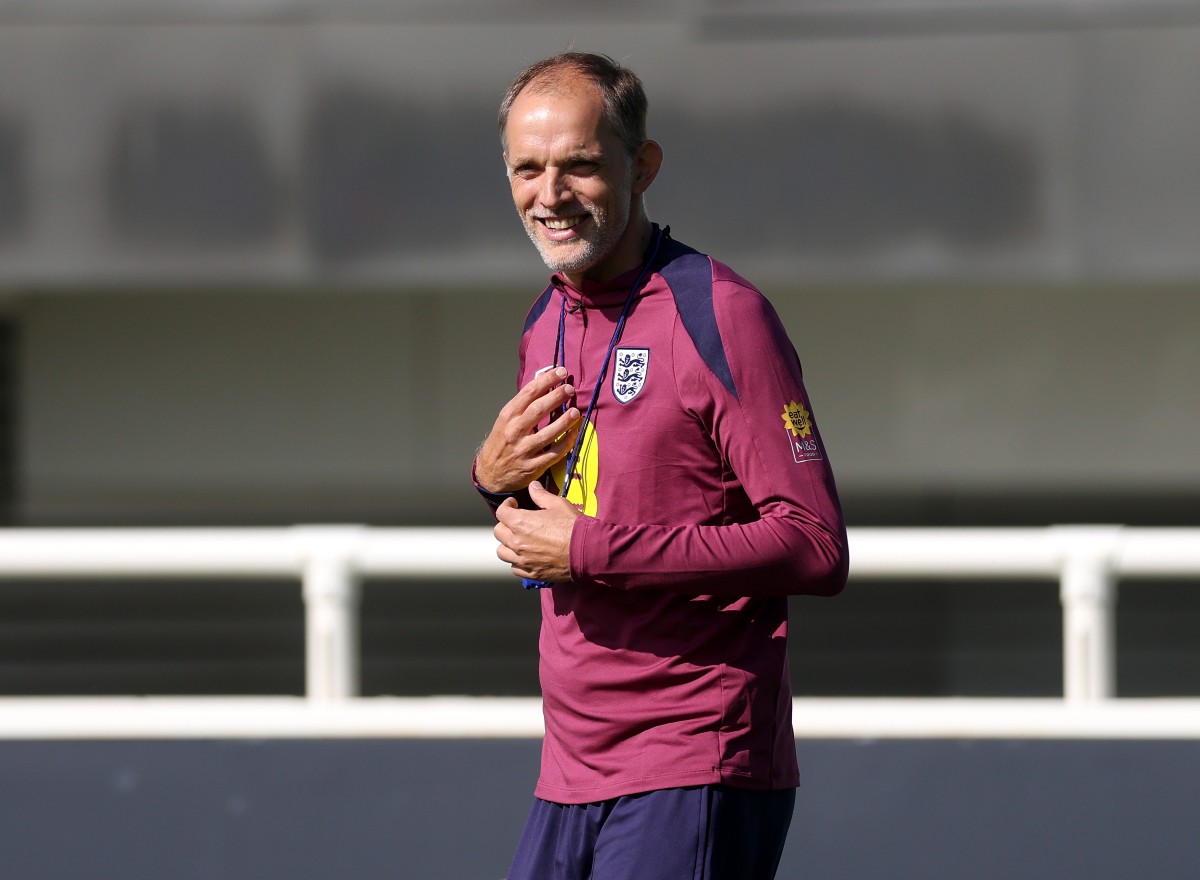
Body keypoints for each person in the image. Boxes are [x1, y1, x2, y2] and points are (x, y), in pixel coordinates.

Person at [473, 52, 848, 880]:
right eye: (527, 169)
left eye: (580, 165)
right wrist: (492, 482)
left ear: (642, 168)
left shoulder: (722, 313)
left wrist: (595, 549)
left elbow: (817, 546)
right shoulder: (546, 319)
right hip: (570, 767)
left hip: (693, 758)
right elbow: (556, 530)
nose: (550, 195)